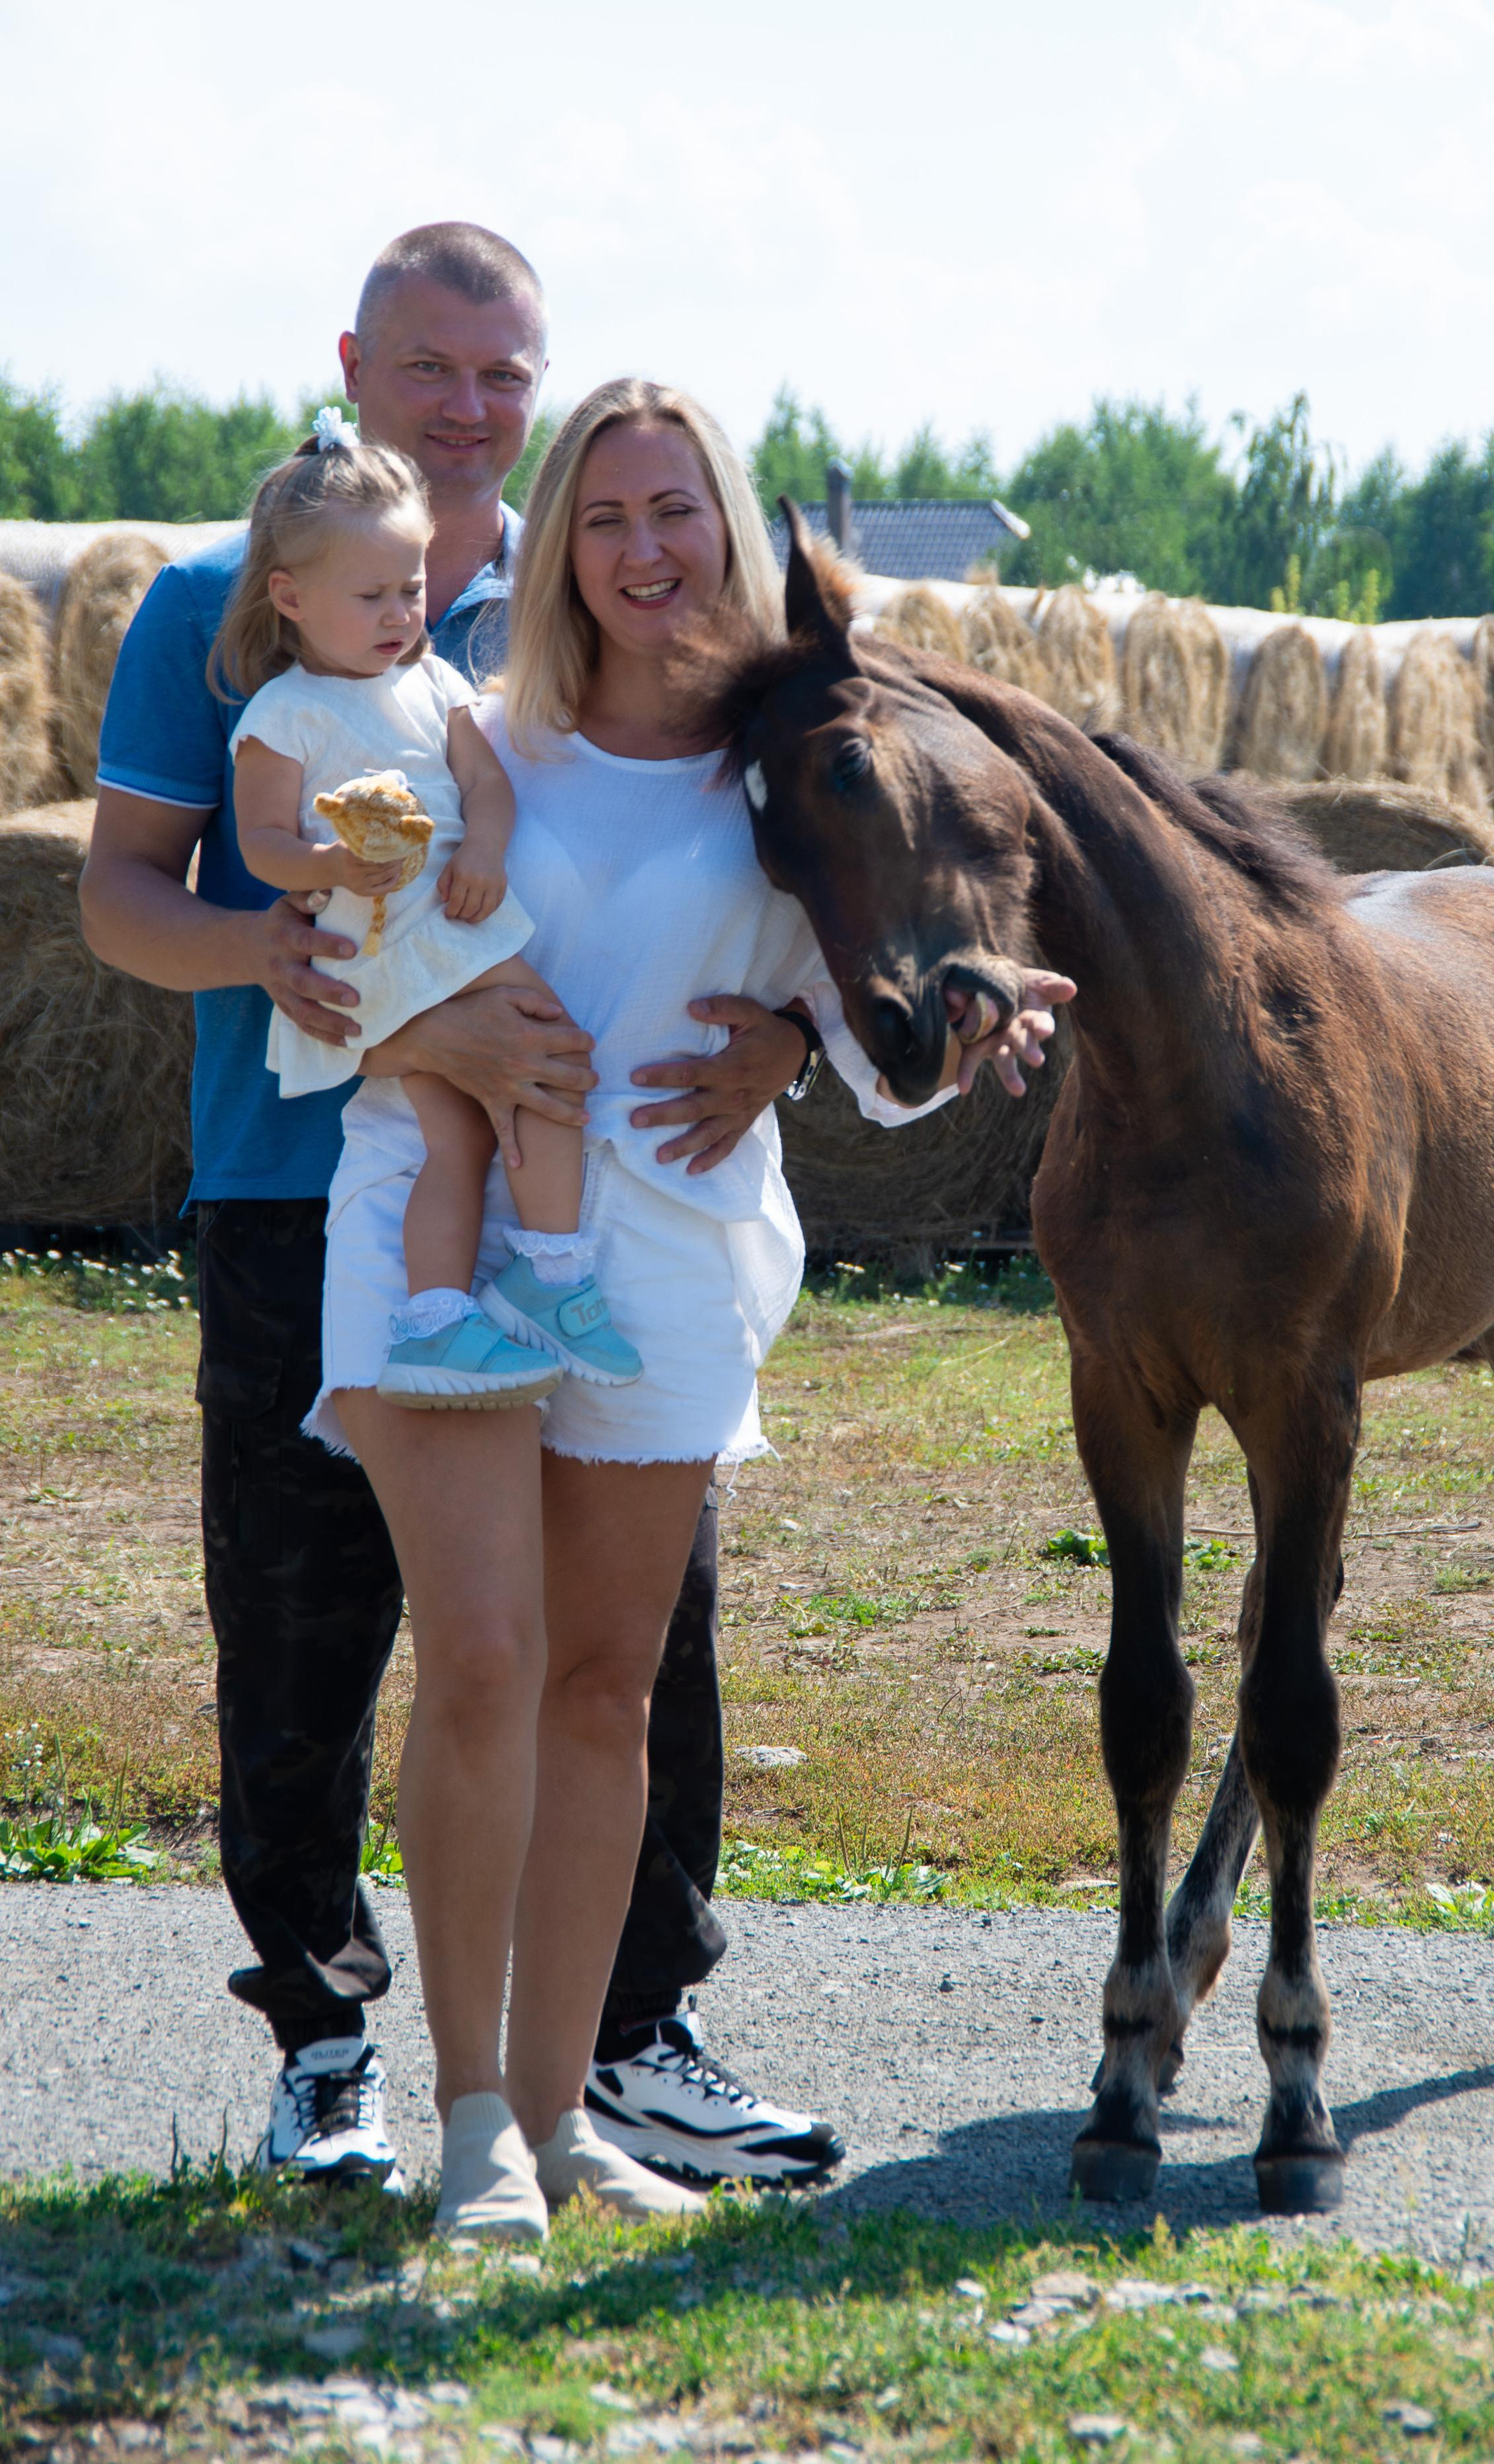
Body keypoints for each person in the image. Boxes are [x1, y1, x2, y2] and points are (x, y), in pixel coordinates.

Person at [81, 224, 843, 2194]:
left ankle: (622, 2041)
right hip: (302, 1173)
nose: (470, 409)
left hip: (576, 1202)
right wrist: (268, 953)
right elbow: (118, 900)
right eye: (432, 372)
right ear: (354, 366)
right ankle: (333, 2043)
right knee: (309, 1643)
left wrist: (784, 1034)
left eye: (505, 377)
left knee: (626, 1658)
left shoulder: (560, 610)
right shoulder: (223, 599)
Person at [313, 376, 1067, 2234]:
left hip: (666, 1259)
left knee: (600, 1685)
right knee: (481, 1658)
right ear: (562, 544)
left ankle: (565, 2117)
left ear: (726, 533)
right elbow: (322, 983)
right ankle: (474, 2117)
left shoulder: (794, 764)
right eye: (608, 518)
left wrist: (827, 1039)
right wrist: (435, 1027)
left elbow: (889, 1036)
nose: (647, 552)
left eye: (678, 515)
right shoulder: (470, 739)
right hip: (444, 1232)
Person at [223, 420, 637, 1400]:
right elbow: (261, 847)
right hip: (381, 940)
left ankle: (436, 1316)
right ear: (291, 597)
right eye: (371, 596)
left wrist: (485, 849)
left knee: (463, 1134)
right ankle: (552, 1270)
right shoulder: (284, 715)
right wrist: (330, 862)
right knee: (548, 1052)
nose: (399, 613)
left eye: (410, 588)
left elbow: (484, 787)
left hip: (454, 917)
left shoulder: (435, 679)